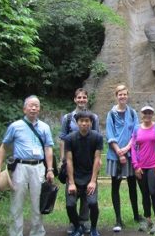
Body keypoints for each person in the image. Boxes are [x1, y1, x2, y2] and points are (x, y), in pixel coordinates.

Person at [0, 95, 54, 236]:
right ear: (24, 109)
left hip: (39, 167)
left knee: (38, 201)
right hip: (20, 167)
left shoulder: (45, 127)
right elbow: (4, 146)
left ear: (39, 109)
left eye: (36, 106)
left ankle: (37, 232)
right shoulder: (15, 126)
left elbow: (48, 149)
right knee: (17, 201)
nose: (33, 108)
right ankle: (15, 233)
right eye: (31, 105)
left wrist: (50, 169)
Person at [59, 88, 100, 235]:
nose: (82, 100)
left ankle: (84, 221)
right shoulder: (68, 118)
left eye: (84, 97)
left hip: (88, 159)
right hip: (71, 158)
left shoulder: (93, 117)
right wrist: (62, 159)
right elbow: (63, 138)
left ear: (87, 99)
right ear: (75, 99)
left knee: (86, 196)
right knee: (72, 193)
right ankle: (74, 223)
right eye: (79, 97)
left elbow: (96, 138)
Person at [105, 84, 141, 232]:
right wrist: (119, 152)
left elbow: (136, 133)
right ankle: (118, 218)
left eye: (125, 94)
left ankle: (136, 215)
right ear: (116, 96)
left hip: (130, 153)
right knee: (116, 186)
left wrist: (126, 149)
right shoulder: (111, 114)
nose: (122, 97)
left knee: (133, 184)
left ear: (128, 95)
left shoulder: (132, 113)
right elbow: (109, 134)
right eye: (120, 94)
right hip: (115, 155)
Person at [65, 110, 103, 236]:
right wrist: (71, 182)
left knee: (92, 203)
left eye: (87, 121)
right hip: (74, 177)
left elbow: (97, 159)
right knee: (70, 205)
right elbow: (69, 160)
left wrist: (93, 181)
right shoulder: (70, 138)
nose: (84, 124)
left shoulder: (97, 137)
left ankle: (93, 228)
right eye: (81, 121)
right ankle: (77, 227)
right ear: (77, 122)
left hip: (89, 177)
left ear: (91, 123)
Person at [131, 104, 155, 234]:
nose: (147, 115)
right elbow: (133, 149)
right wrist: (136, 166)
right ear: (142, 114)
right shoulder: (136, 129)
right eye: (145, 113)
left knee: (153, 192)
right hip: (140, 167)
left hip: (153, 166)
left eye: (149, 113)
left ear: (152, 114)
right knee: (144, 194)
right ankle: (148, 219)